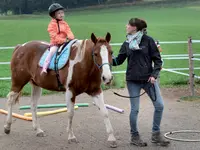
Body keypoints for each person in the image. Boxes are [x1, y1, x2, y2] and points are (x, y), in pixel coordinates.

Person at [112, 18, 170, 147]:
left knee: (159, 106)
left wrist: (154, 75)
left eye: (128, 25)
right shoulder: (127, 43)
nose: (126, 26)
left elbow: (158, 60)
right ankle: (134, 136)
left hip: (149, 80)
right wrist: (105, 59)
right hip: (132, 81)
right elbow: (118, 61)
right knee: (135, 110)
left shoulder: (148, 41)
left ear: (135, 27)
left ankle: (156, 134)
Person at [41, 3, 75, 75]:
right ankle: (44, 67)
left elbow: (69, 31)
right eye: (59, 13)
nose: (61, 14)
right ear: (54, 15)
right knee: (52, 52)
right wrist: (63, 40)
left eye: (62, 12)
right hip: (56, 43)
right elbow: (54, 36)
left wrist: (71, 37)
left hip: (66, 42)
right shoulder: (51, 25)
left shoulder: (64, 24)